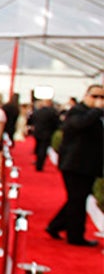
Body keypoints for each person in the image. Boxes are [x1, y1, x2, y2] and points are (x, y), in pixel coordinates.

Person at [46, 84, 104, 247]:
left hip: (89, 165)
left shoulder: (96, 115)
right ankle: (75, 235)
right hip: (75, 164)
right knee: (77, 200)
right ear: (86, 95)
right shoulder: (78, 111)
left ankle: (56, 225)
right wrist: (97, 110)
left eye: (102, 97)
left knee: (78, 198)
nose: (99, 101)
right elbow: (79, 124)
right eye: (95, 96)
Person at [29, 98, 60, 172]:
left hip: (37, 132)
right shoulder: (53, 112)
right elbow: (56, 123)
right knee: (43, 149)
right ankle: (40, 164)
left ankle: (38, 162)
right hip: (47, 133)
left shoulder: (37, 112)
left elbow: (31, 120)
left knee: (38, 147)